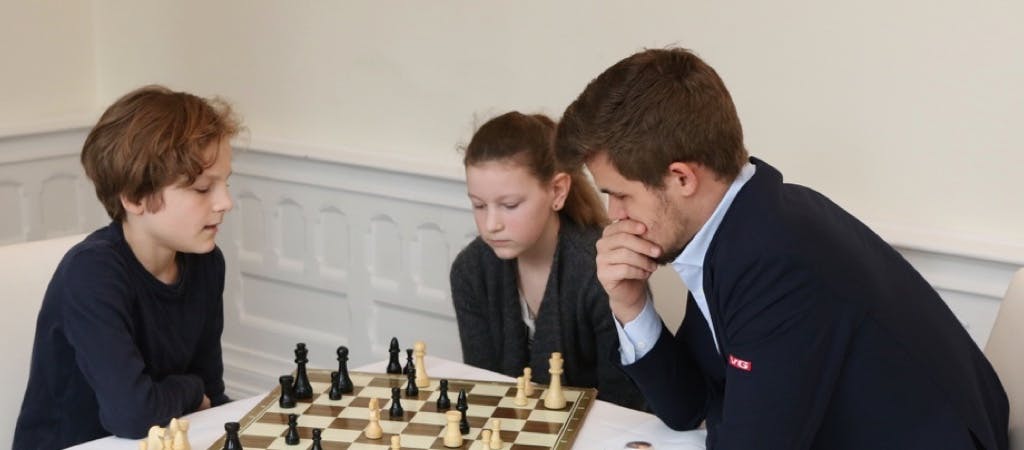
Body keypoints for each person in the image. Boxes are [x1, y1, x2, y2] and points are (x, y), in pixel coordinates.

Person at [555, 48, 1008, 449]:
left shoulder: (775, 260)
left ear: (681, 179)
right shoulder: (745, 222)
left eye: (620, 194)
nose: (615, 215)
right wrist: (630, 302)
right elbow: (687, 406)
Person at [14, 85, 240, 449]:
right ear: (134, 197)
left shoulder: (206, 263)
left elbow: (210, 394)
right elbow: (132, 414)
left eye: (226, 184)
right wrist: (191, 388)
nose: (225, 202)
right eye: (202, 189)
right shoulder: (91, 274)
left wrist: (196, 393)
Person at [450, 111, 645, 410]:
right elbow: (485, 390)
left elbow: (625, 403)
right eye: (478, 205)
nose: (491, 224)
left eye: (509, 205)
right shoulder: (471, 270)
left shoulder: (602, 271)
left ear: (557, 191)